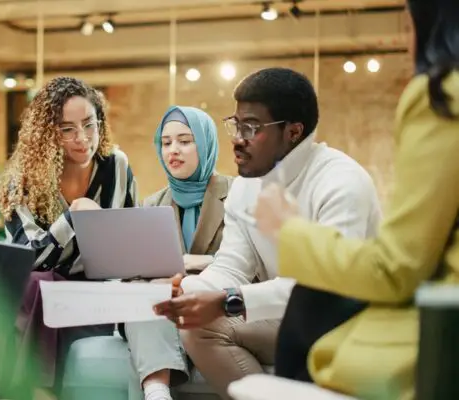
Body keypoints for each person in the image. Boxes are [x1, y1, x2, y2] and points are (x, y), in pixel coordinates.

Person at [252, 1, 459, 398]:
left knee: (308, 312)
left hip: (442, 336)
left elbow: (394, 268)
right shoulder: (246, 187)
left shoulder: (439, 94)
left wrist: (289, 231)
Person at [152, 67, 383, 400]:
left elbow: (326, 289)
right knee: (196, 327)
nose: (237, 138)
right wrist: (187, 290)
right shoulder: (247, 186)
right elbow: (232, 266)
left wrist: (228, 301)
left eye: (252, 127)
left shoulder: (342, 182)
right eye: (235, 124)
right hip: (289, 319)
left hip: (348, 323)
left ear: (293, 132)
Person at [0, 76, 138, 394]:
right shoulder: (25, 178)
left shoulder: (116, 166)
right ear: (48, 134)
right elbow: (28, 257)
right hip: (34, 298)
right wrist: (72, 218)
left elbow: (130, 243)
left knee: (44, 289)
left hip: (89, 299)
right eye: (67, 129)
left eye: (89, 124)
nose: (82, 138)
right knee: (39, 283)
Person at [123, 105, 233, 400]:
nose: (174, 150)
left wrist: (195, 264)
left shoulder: (238, 195)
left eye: (185, 141)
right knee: (140, 293)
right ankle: (157, 392)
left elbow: (253, 266)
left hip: (218, 304)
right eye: (166, 142)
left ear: (205, 143)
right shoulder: (150, 205)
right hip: (166, 309)